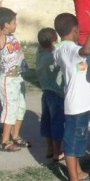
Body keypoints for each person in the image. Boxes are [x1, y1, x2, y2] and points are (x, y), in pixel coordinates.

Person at [53, 12, 90, 181]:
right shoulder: (70, 48)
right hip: (77, 105)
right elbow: (86, 51)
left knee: (77, 140)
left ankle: (78, 172)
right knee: (72, 144)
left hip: (80, 103)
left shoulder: (61, 48)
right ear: (75, 30)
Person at [0, 0, 30, 152]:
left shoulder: (11, 36)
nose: (16, 24)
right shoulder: (1, 39)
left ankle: (15, 136)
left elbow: (1, 17)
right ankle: (5, 141)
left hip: (18, 78)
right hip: (8, 80)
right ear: (6, 25)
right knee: (10, 109)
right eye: (14, 22)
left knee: (21, 107)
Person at [36, 27, 65, 161]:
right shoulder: (53, 57)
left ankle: (49, 148)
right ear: (54, 42)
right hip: (57, 94)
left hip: (46, 92)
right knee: (57, 122)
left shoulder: (39, 53)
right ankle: (57, 151)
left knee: (47, 121)